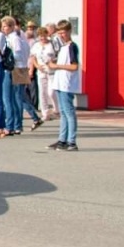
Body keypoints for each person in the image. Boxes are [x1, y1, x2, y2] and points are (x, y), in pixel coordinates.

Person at [45, 21, 81, 152]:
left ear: (69, 31)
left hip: (67, 84)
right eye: (59, 33)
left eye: (63, 33)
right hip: (60, 83)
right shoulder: (63, 47)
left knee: (69, 112)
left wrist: (57, 66)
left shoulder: (72, 47)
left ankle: (72, 141)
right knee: (64, 113)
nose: (61, 35)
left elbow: (74, 66)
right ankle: (62, 140)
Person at [2, 15, 39, 134]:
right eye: (3, 27)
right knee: (17, 98)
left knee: (15, 98)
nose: (3, 29)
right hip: (20, 67)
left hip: (17, 68)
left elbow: (17, 54)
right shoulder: (18, 38)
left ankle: (16, 124)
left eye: (5, 26)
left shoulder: (15, 38)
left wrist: (7, 58)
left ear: (12, 27)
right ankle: (17, 125)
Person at [31, 26, 58, 121]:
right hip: (41, 71)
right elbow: (33, 57)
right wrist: (37, 66)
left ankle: (56, 109)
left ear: (47, 35)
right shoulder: (36, 45)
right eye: (40, 36)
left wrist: (54, 62)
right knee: (42, 92)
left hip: (52, 71)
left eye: (44, 35)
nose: (42, 38)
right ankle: (45, 112)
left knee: (51, 92)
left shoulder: (52, 44)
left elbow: (58, 56)